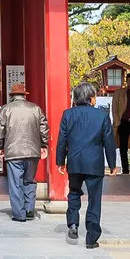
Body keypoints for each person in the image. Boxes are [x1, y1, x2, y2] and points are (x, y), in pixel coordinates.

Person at [56, 82, 114, 248]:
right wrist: (112, 164)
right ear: (90, 98)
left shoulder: (68, 114)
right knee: (95, 198)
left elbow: (62, 140)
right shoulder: (101, 116)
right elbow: (108, 141)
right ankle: (92, 237)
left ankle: (73, 224)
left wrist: (60, 161)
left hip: (74, 161)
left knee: (74, 193)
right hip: (95, 162)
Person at [0, 83, 48, 222]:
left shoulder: (6, 109)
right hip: (33, 150)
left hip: (13, 151)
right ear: (24, 95)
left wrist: (0, 146)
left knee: (15, 182)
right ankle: (30, 209)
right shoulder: (36, 108)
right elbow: (44, 128)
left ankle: (19, 213)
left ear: (12, 96)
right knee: (29, 180)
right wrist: (44, 145)